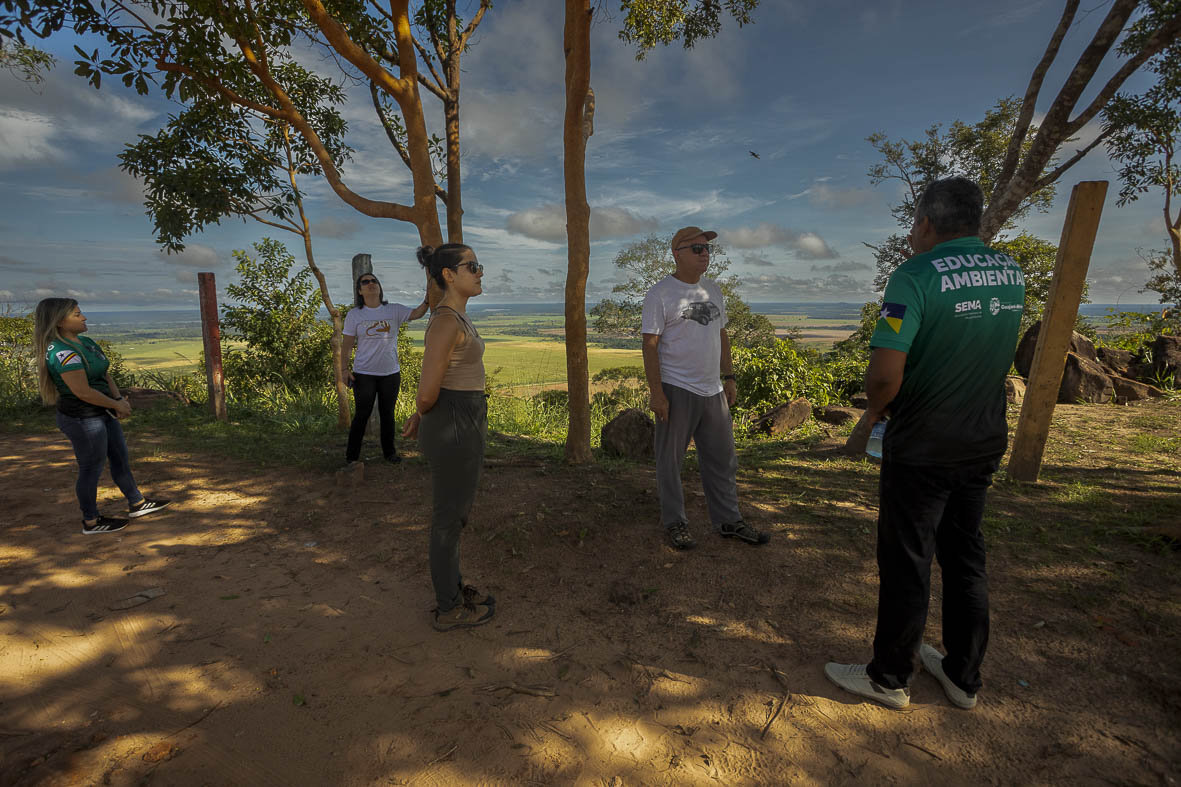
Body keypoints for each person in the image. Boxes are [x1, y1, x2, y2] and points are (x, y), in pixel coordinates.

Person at [825, 177, 1026, 711]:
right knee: (966, 556)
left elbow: (886, 374)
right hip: (983, 437)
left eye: (916, 221)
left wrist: (876, 407)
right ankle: (963, 675)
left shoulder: (914, 274)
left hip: (923, 444)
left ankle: (889, 677)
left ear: (927, 223)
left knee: (907, 559)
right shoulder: (1010, 273)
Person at [641, 226, 769, 550]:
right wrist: (657, 394)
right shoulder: (660, 293)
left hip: (713, 391)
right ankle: (676, 524)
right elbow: (650, 345)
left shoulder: (713, 290)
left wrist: (730, 377)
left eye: (707, 249)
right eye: (697, 248)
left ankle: (728, 521)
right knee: (670, 461)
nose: (705, 254)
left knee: (723, 458)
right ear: (677, 253)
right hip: (676, 387)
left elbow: (722, 336)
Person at [402, 244, 495, 631]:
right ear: (448, 275)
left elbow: (430, 393)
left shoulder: (457, 318)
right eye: (472, 266)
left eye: (479, 265)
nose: (480, 272)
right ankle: (448, 607)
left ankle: (453, 588)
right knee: (447, 518)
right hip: (455, 421)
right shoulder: (444, 323)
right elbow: (427, 392)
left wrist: (423, 415)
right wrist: (422, 413)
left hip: (462, 418)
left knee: (455, 516)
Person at [34, 298, 171, 535]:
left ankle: (137, 503)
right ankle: (91, 521)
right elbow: (82, 392)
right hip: (83, 418)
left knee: (120, 458)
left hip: (102, 411)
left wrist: (119, 401)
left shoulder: (86, 343)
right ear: (59, 322)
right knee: (91, 468)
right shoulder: (63, 352)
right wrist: (115, 404)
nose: (84, 317)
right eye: (77, 315)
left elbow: (104, 375)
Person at [342, 272, 428, 464]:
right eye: (366, 282)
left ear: (379, 287)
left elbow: (417, 313)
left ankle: (389, 453)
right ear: (359, 290)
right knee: (362, 415)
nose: (371, 284)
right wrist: (344, 370)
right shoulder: (355, 314)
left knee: (388, 413)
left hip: (390, 373)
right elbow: (347, 344)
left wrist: (428, 299)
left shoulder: (394, 310)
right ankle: (352, 457)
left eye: (374, 281)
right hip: (363, 373)